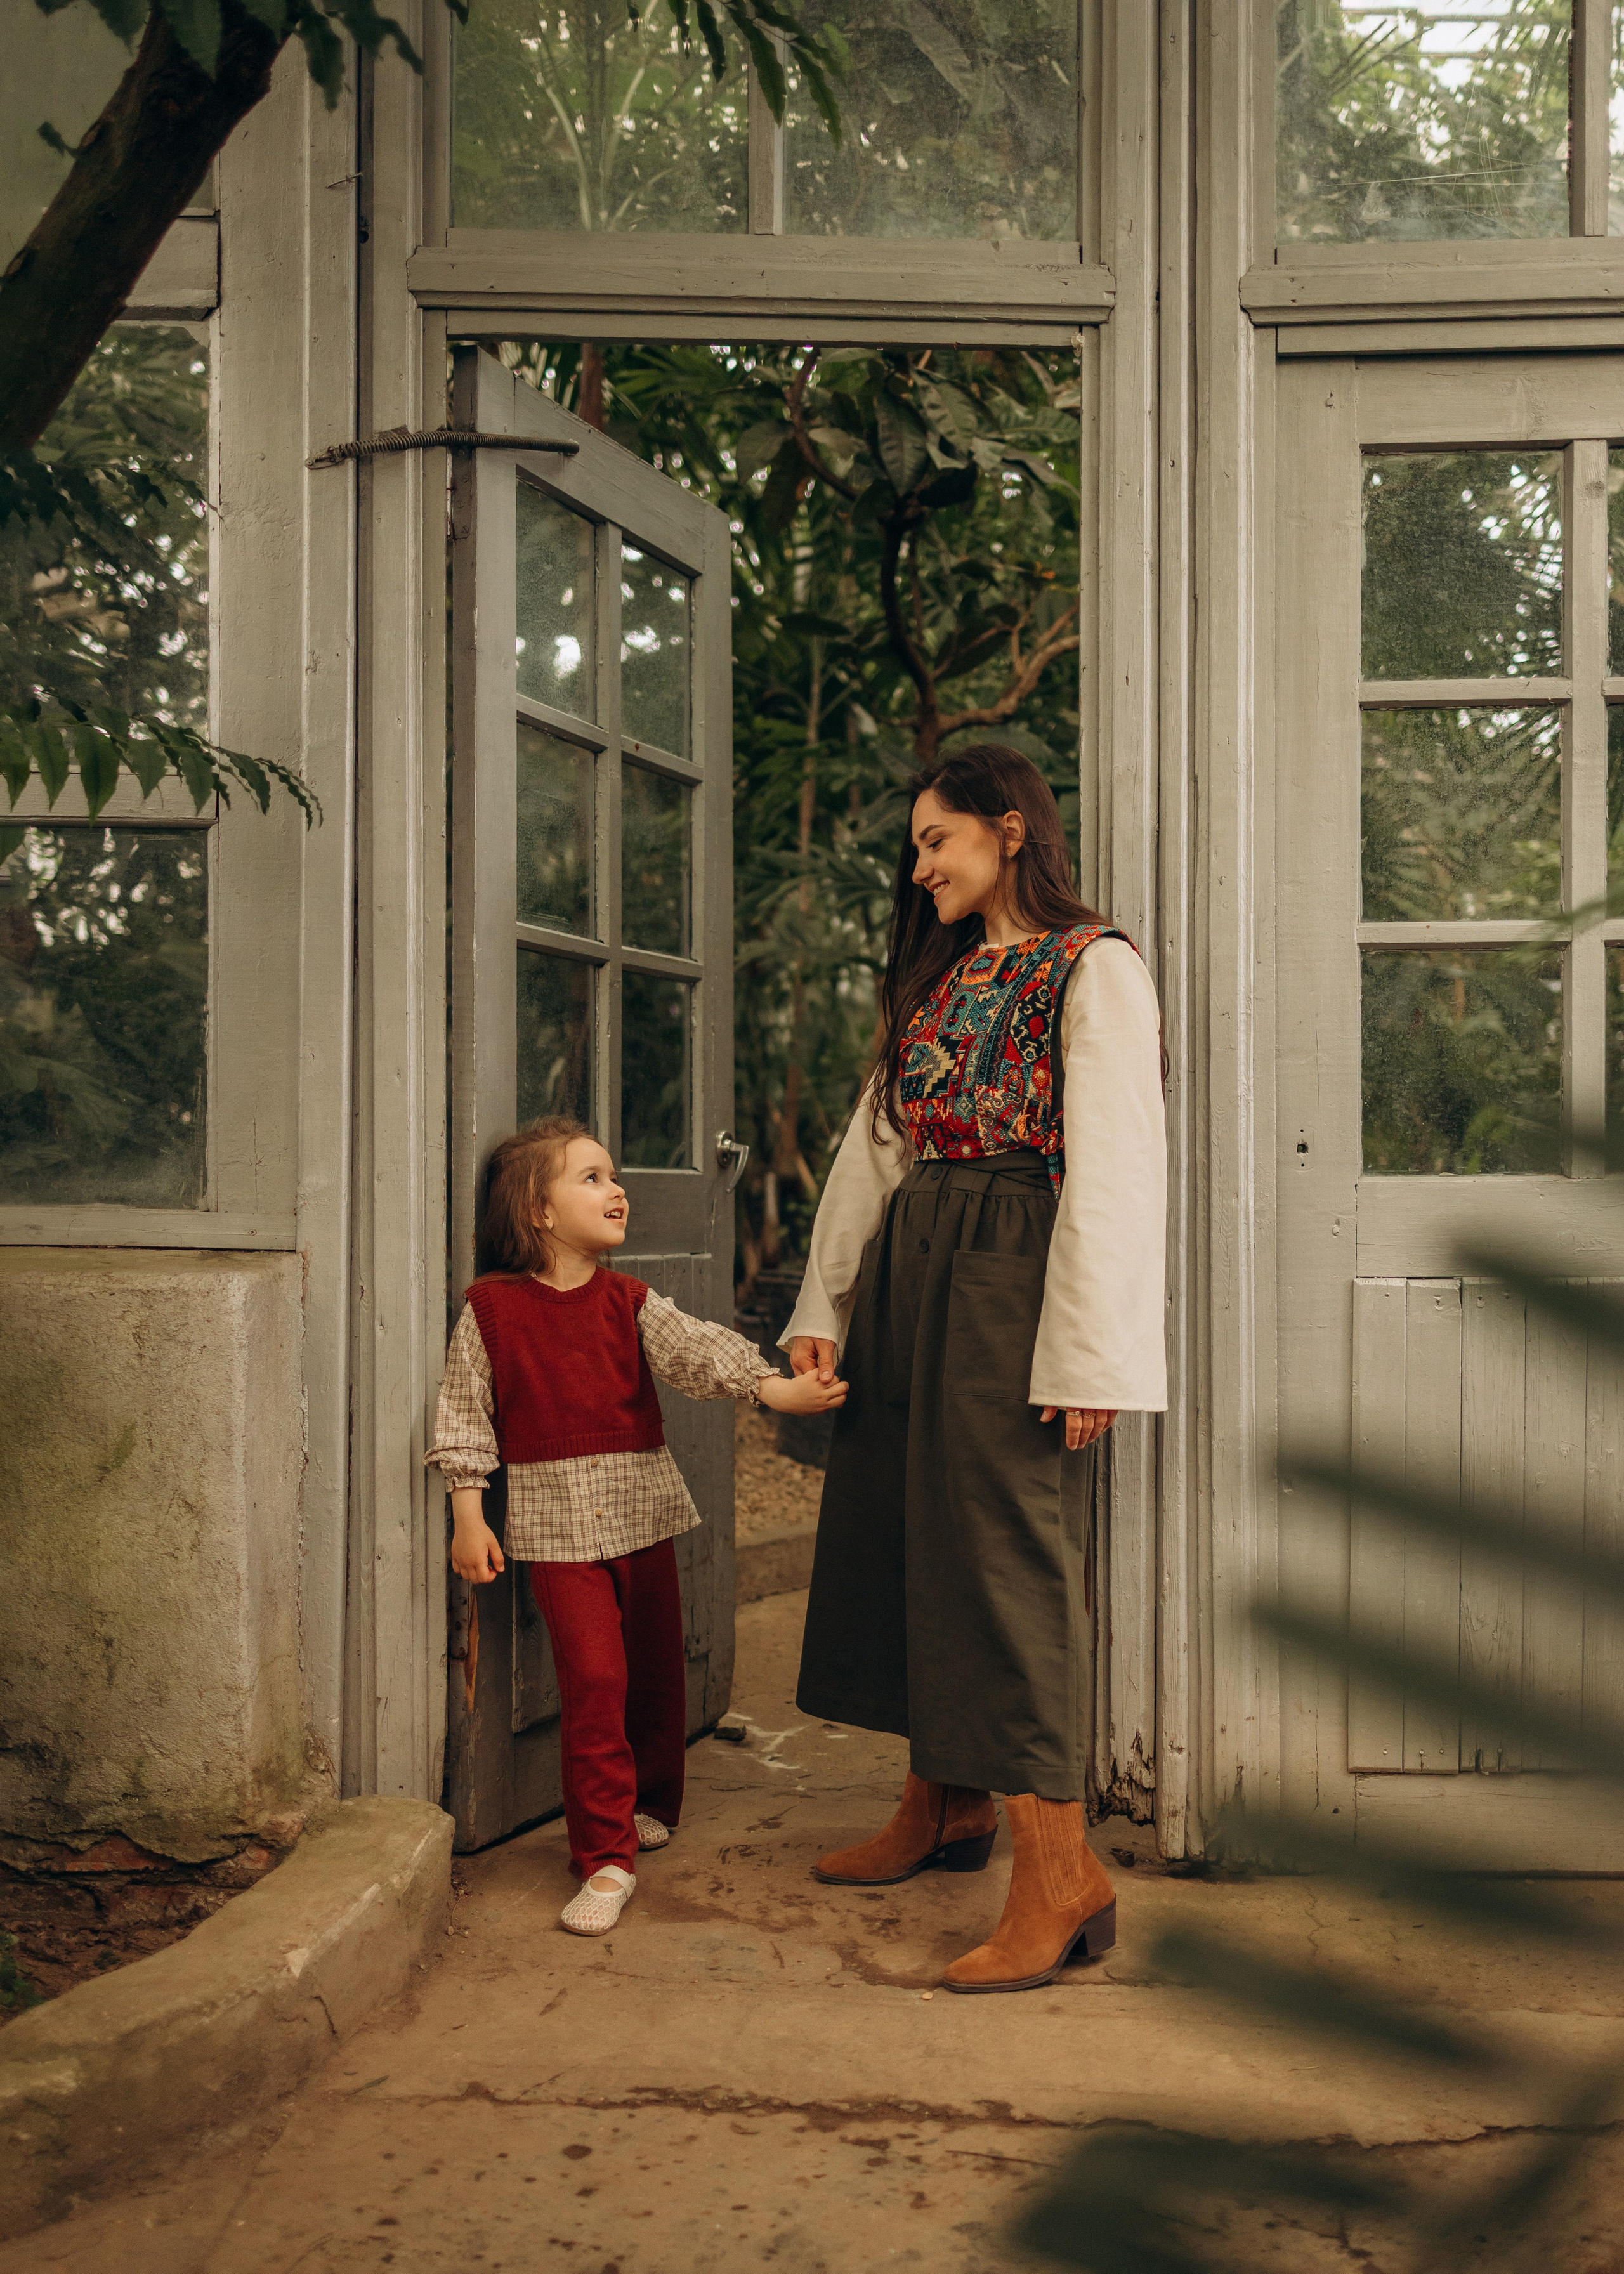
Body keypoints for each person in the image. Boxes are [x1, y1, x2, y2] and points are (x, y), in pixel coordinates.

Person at [783, 744, 1167, 1994]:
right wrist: (825, 1302)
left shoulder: (1091, 967)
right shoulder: (945, 978)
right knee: (902, 1530)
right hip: (915, 1265)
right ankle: (940, 1805)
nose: (919, 865)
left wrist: (1090, 1350)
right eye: (914, 845)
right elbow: (876, 1141)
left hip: (1010, 1271)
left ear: (1009, 832)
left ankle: (1060, 1870)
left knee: (1003, 1561)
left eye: (934, 839)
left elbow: (1114, 1173)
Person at [430, 1116, 846, 1937]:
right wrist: (468, 1513)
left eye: (613, 1174)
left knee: (656, 1672)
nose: (615, 1189)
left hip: (643, 1510)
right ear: (538, 1211)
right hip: (554, 1531)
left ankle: (655, 1800)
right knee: (596, 1683)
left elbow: (697, 1351)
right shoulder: (491, 1310)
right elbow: (462, 1413)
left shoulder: (629, 1300)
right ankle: (605, 1855)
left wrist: (771, 1386)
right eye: (591, 1177)